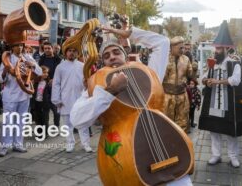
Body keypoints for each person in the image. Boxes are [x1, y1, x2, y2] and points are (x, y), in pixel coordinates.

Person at [70, 26, 192, 185]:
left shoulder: (148, 71)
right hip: (126, 158)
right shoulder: (97, 84)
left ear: (125, 56)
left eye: (116, 52)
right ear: (102, 62)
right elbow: (77, 119)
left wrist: (130, 33)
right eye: (106, 56)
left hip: (166, 146)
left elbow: (162, 42)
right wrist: (110, 91)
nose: (112, 57)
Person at [199, 20, 242, 168]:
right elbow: (202, 77)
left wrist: (217, 82)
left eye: (218, 49)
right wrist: (206, 81)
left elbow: (235, 80)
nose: (215, 51)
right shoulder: (212, 63)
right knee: (214, 130)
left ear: (225, 49)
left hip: (228, 102)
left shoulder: (234, 63)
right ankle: (216, 155)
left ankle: (233, 157)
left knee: (230, 131)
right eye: (215, 49)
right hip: (213, 102)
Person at [0, 42, 42, 157]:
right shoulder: (7, 59)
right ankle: (4, 146)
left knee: (20, 121)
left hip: (24, 95)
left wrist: (32, 64)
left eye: (21, 45)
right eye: (17, 45)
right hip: (10, 95)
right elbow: (0, 79)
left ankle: (18, 144)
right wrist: (5, 71)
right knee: (8, 122)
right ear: (12, 47)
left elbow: (40, 72)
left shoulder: (27, 57)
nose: (20, 47)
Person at [51, 46, 92, 153]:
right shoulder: (60, 67)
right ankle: (70, 144)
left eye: (74, 51)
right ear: (65, 53)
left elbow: (88, 82)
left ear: (78, 53)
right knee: (67, 124)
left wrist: (88, 95)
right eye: (70, 51)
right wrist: (56, 99)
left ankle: (86, 144)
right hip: (65, 99)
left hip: (80, 98)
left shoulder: (83, 66)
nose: (72, 53)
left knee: (82, 123)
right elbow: (56, 84)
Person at [162, 36, 193, 132]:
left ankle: (181, 143)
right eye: (180, 48)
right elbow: (158, 76)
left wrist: (193, 74)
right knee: (166, 122)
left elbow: (190, 74)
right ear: (172, 47)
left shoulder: (186, 59)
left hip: (182, 96)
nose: (182, 50)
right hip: (167, 96)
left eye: (183, 47)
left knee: (182, 122)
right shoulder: (164, 59)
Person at [39, 41, 62, 127]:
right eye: (45, 48)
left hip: (55, 88)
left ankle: (56, 126)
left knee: (56, 111)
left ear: (52, 49)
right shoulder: (41, 59)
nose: (47, 50)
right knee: (45, 110)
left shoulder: (58, 60)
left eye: (49, 48)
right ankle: (46, 129)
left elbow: (62, 73)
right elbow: (38, 71)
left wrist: (54, 80)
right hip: (44, 88)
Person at [34, 66, 51, 136]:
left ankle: (45, 132)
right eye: (44, 72)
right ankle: (39, 132)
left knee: (45, 118)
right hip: (37, 102)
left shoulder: (48, 82)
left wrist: (49, 100)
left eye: (47, 73)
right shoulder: (35, 82)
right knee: (38, 118)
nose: (46, 74)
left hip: (45, 103)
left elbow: (50, 93)